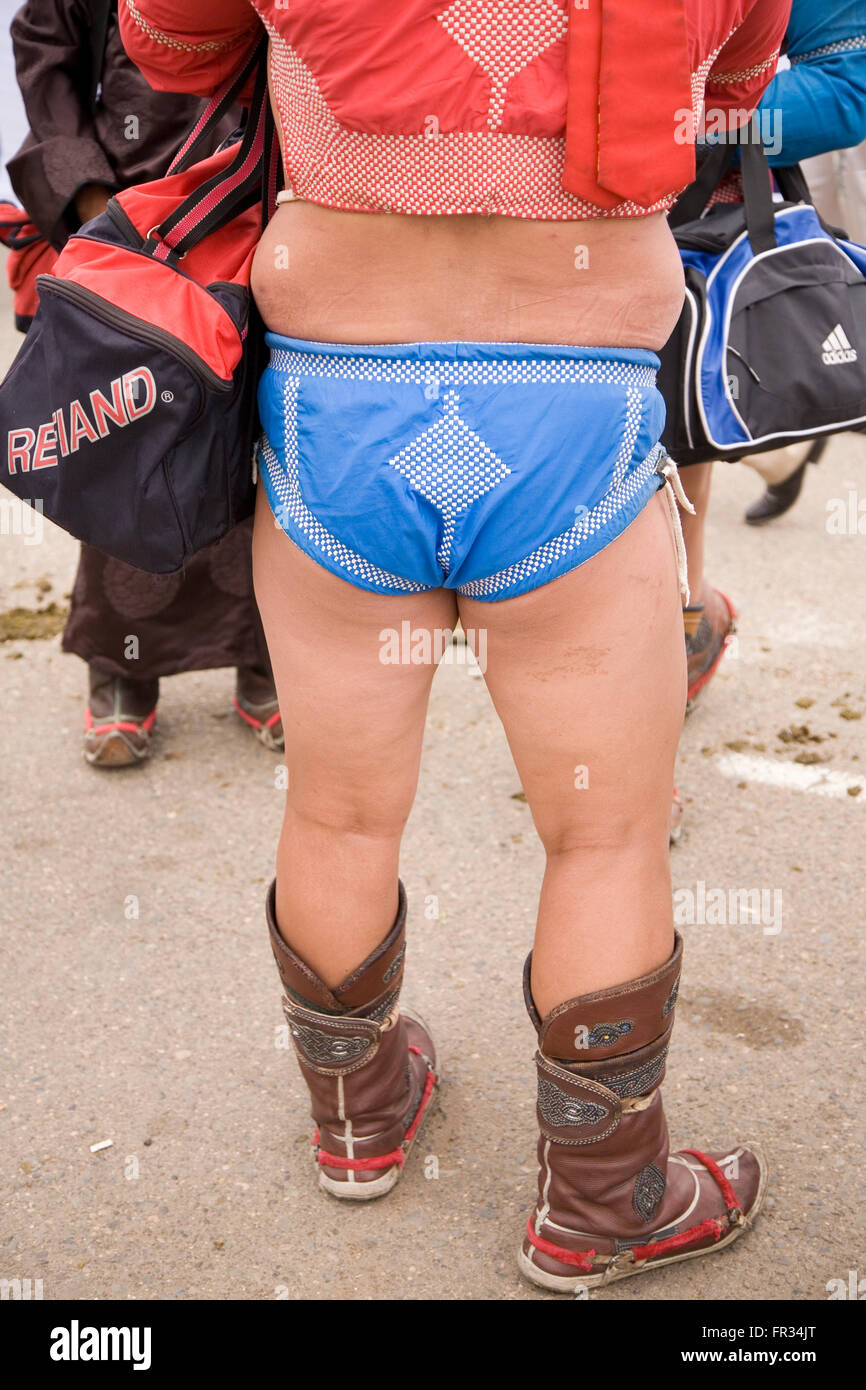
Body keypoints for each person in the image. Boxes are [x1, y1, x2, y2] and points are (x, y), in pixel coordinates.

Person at [118, 0, 789, 1292]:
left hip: (342, 401)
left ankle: (360, 1117)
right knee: (603, 831)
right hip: (569, 405)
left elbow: (169, 47)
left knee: (338, 808)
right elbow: (731, 91)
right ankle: (605, 1202)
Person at [6, 0, 282, 767]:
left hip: (271, 205)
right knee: (134, 443)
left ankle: (266, 660)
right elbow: (42, 40)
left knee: (267, 441)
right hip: (141, 210)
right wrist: (91, 199)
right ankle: (125, 671)